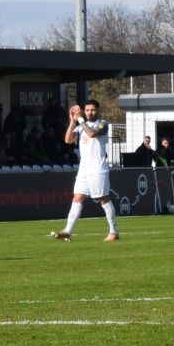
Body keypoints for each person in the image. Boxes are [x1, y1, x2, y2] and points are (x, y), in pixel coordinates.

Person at [49, 100, 120, 242]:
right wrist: (72, 121)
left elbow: (92, 133)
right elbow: (68, 140)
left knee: (103, 199)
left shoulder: (102, 123)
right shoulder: (81, 126)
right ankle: (68, 230)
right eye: (87, 110)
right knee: (77, 198)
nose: (89, 113)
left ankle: (113, 231)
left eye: (92, 110)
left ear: (98, 110)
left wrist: (80, 118)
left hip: (98, 169)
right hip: (84, 170)